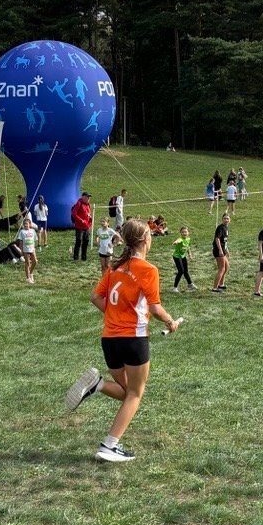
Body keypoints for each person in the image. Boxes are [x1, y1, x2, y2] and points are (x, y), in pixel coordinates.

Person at [64, 218, 180, 463]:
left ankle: (98, 385)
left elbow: (96, 297)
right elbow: (156, 308)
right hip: (133, 339)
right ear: (145, 239)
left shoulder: (115, 268)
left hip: (110, 339)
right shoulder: (148, 269)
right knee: (136, 394)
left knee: (128, 391)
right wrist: (170, 322)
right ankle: (109, 445)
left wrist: (116, 314)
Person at [171, 226, 195, 291]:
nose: (184, 233)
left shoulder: (188, 239)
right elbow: (178, 240)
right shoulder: (180, 239)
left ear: (188, 233)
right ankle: (175, 288)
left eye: (185, 232)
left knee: (186, 271)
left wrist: (190, 255)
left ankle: (190, 284)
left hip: (183, 256)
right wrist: (175, 242)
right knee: (181, 271)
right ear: (180, 233)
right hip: (177, 257)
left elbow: (188, 247)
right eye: (182, 232)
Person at [70, 191, 93, 261]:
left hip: (86, 226)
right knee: (79, 241)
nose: (88, 198)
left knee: (86, 241)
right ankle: (76, 257)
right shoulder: (79, 203)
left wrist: (90, 218)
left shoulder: (88, 204)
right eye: (87, 197)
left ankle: (84, 257)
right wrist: (81, 220)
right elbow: (74, 214)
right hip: (79, 226)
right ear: (83, 197)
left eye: (89, 197)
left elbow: (88, 213)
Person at [211, 213, 231, 291]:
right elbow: (217, 239)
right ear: (222, 219)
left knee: (227, 267)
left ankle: (221, 284)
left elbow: (224, 240)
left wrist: (227, 250)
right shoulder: (220, 228)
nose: (226, 220)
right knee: (221, 268)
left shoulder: (226, 227)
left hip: (223, 250)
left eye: (227, 218)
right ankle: (215, 287)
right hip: (218, 250)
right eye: (225, 218)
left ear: (230, 220)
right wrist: (220, 250)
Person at [17, 216, 39, 284]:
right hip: (25, 250)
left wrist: (34, 248)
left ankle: (31, 273)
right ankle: (28, 278)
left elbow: (34, 240)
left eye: (27, 223)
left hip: (32, 249)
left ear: (30, 224)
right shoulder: (22, 232)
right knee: (27, 263)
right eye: (25, 224)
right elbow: (20, 242)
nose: (26, 225)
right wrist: (21, 250)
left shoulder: (33, 231)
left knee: (35, 261)